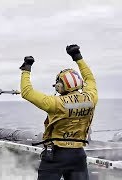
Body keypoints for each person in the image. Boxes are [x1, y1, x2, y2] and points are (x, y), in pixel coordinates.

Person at [19, 44, 97, 180]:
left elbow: (26, 92)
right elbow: (90, 78)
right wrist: (77, 56)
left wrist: (26, 69)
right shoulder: (91, 97)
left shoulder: (55, 103)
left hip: (56, 155)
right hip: (78, 155)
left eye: (58, 83)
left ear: (62, 85)